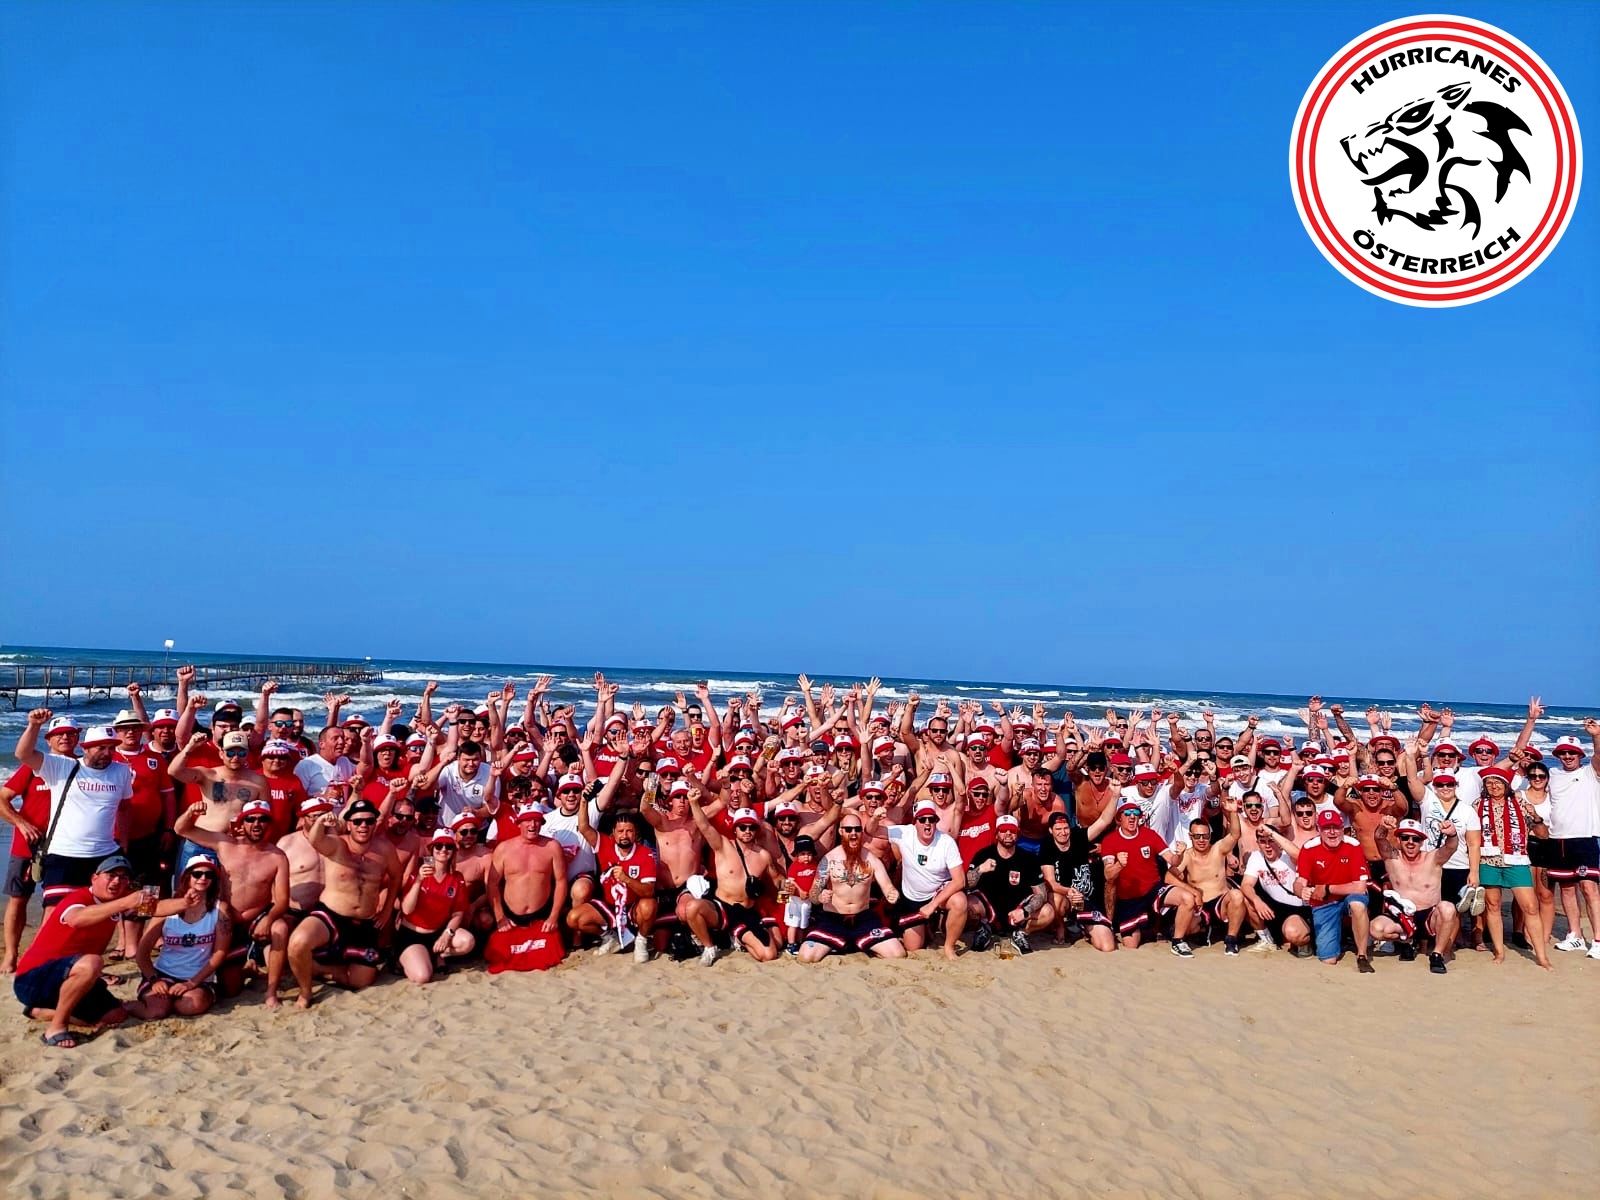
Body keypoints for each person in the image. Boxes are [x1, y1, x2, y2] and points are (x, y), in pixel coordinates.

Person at [14, 853, 198, 1049]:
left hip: (73, 977)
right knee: (93, 962)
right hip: (33, 979)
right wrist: (125, 903)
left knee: (116, 1015)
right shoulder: (79, 897)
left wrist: (185, 903)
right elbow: (77, 919)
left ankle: (40, 1012)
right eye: (111, 875)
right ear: (94, 878)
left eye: (123, 877)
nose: (117, 881)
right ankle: (56, 1027)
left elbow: (156, 908)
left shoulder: (121, 899)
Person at [173, 796, 291, 1004]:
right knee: (230, 990)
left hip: (256, 916)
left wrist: (269, 919)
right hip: (226, 919)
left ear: (269, 823)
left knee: (279, 928)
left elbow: (282, 900)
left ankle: (271, 992)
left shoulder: (278, 856)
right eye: (251, 819)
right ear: (242, 823)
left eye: (262, 819)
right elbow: (181, 829)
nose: (256, 824)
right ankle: (247, 968)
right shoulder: (225, 843)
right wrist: (191, 812)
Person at [285, 799, 402, 1007]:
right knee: (297, 943)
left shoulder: (385, 849)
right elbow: (315, 840)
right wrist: (321, 821)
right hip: (331, 915)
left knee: (362, 981)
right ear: (348, 824)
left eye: (369, 821)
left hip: (364, 921)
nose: (363, 826)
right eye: (357, 822)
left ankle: (318, 969)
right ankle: (305, 992)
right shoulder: (337, 845)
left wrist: (386, 910)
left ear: (375, 823)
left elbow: (396, 876)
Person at [11, 712, 134, 907]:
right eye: (101, 748)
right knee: (54, 911)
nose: (107, 753)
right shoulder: (62, 766)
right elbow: (23, 754)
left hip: (105, 854)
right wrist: (34, 725)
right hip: (64, 854)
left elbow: (124, 808)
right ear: (86, 748)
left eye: (111, 748)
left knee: (99, 911)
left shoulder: (121, 771)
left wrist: (124, 843)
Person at [1466, 766, 1552, 970]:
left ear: (1506, 785)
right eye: (1489, 783)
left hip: (1517, 861)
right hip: (1488, 861)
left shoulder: (1521, 804)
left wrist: (1536, 817)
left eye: (1498, 782)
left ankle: (1541, 956)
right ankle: (1499, 952)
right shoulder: (1477, 805)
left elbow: (1543, 835)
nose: (1494, 786)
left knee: (1530, 907)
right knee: (1493, 906)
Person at [681, 795, 782, 965]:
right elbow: (704, 825)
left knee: (769, 954)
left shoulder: (763, 855)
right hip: (722, 907)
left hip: (747, 911)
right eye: (743, 827)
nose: (747, 831)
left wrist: (789, 889)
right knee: (691, 908)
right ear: (735, 829)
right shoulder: (723, 845)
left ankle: (737, 937)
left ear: (756, 830)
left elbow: (777, 880)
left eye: (751, 827)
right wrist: (693, 803)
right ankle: (709, 947)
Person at [129, 853, 230, 1020]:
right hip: (163, 973)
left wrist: (191, 983)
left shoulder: (220, 909)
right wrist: (154, 980)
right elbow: (142, 952)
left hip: (198, 976)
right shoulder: (166, 908)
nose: (203, 878)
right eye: (197, 874)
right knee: (157, 1011)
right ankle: (125, 1006)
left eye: (209, 875)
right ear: (186, 876)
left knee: (188, 1006)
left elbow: (220, 953)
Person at [798, 817, 906, 962]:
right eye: (848, 829)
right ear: (841, 832)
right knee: (806, 957)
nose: (853, 833)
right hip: (833, 919)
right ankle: (846, 943)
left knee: (897, 953)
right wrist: (820, 896)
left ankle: (856, 943)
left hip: (863, 919)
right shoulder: (828, 859)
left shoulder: (871, 859)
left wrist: (892, 894)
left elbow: (888, 887)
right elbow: (813, 893)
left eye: (857, 829)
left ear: (862, 832)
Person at [1369, 817, 1459, 973]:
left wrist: (1452, 834)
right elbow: (1379, 838)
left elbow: (1451, 847)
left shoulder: (1433, 858)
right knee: (1375, 929)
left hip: (1429, 916)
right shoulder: (1392, 857)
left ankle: (1437, 954)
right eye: (1405, 837)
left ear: (1422, 842)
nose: (1410, 842)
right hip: (1403, 918)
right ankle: (1407, 940)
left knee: (1448, 908)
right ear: (1399, 839)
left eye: (1416, 839)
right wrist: (1383, 826)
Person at [1099, 801, 1191, 953]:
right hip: (1129, 898)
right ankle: (1146, 927)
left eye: (1136, 814)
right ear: (1119, 818)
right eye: (1127, 814)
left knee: (1187, 898)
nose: (1132, 817)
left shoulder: (1149, 834)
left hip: (1153, 889)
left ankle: (1178, 941)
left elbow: (1172, 860)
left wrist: (1180, 854)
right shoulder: (1110, 840)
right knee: (1131, 944)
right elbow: (1108, 875)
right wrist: (1119, 865)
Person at [569, 807, 658, 963]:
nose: (624, 835)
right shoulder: (605, 844)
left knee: (649, 905)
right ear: (613, 833)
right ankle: (609, 938)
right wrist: (583, 801)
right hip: (610, 904)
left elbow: (649, 891)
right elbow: (583, 827)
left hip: (633, 905)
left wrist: (626, 879)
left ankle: (641, 940)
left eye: (629, 831)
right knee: (574, 918)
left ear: (635, 833)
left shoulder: (645, 853)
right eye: (621, 831)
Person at [886, 800, 969, 960]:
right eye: (922, 819)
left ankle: (949, 947)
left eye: (931, 819)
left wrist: (933, 904)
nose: (927, 823)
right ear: (914, 822)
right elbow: (872, 831)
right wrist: (875, 818)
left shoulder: (946, 841)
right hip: (912, 899)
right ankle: (929, 926)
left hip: (937, 894)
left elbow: (960, 880)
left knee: (959, 901)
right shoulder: (904, 832)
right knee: (913, 947)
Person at [1293, 809, 1375, 972]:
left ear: (1342, 828)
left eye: (1336, 827)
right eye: (1326, 828)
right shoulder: (1309, 848)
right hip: (1324, 902)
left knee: (1357, 904)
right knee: (1328, 959)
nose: (1332, 832)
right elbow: (1299, 881)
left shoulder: (1353, 845)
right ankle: (1334, 939)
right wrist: (1301, 891)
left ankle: (1362, 955)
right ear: (1319, 829)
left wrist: (1328, 888)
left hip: (1347, 895)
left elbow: (1360, 887)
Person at [1545, 728, 1600, 958]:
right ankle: (1575, 935)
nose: (1568, 756)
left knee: (1589, 888)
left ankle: (1598, 940)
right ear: (1558, 755)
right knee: (1567, 889)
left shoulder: (1591, 772)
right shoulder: (1552, 773)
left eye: (1572, 752)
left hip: (1584, 839)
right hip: (1557, 839)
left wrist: (1596, 736)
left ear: (1580, 755)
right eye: (1563, 752)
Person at [965, 814, 1053, 954]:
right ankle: (984, 930)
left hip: (1017, 911)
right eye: (1003, 830)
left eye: (1012, 831)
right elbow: (966, 885)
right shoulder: (983, 854)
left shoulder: (1028, 859)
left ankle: (1021, 933)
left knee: (1048, 912)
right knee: (966, 904)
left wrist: (1025, 911)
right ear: (996, 834)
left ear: (1017, 835)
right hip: (988, 909)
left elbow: (1041, 894)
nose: (1008, 834)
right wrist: (980, 869)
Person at [394, 830, 474, 983]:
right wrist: (419, 881)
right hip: (413, 934)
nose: (443, 850)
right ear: (432, 849)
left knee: (467, 941)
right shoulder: (418, 873)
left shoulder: (457, 877)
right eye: (439, 846)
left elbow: (458, 913)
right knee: (422, 976)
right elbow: (407, 910)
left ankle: (436, 954)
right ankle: (405, 957)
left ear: (453, 851)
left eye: (448, 847)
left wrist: (447, 934)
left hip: (437, 931)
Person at [1039, 811, 1115, 951]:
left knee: (1107, 946)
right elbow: (1051, 882)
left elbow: (1104, 821)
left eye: (1066, 828)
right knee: (1054, 898)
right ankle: (1061, 927)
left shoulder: (1079, 836)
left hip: (1086, 899)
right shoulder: (1047, 845)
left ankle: (1085, 928)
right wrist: (1069, 891)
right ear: (1050, 830)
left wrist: (1115, 798)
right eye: (1058, 829)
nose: (1063, 832)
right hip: (1066, 899)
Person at [1240, 828, 1313, 955]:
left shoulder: (1287, 855)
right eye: (1263, 842)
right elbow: (1246, 884)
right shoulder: (1256, 857)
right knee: (1246, 898)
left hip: (1296, 908)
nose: (1267, 846)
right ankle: (1266, 940)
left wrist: (1272, 833)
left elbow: (1300, 855)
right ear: (1258, 843)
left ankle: (1307, 941)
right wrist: (1257, 901)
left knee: (1292, 934)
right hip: (1274, 907)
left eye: (1271, 841)